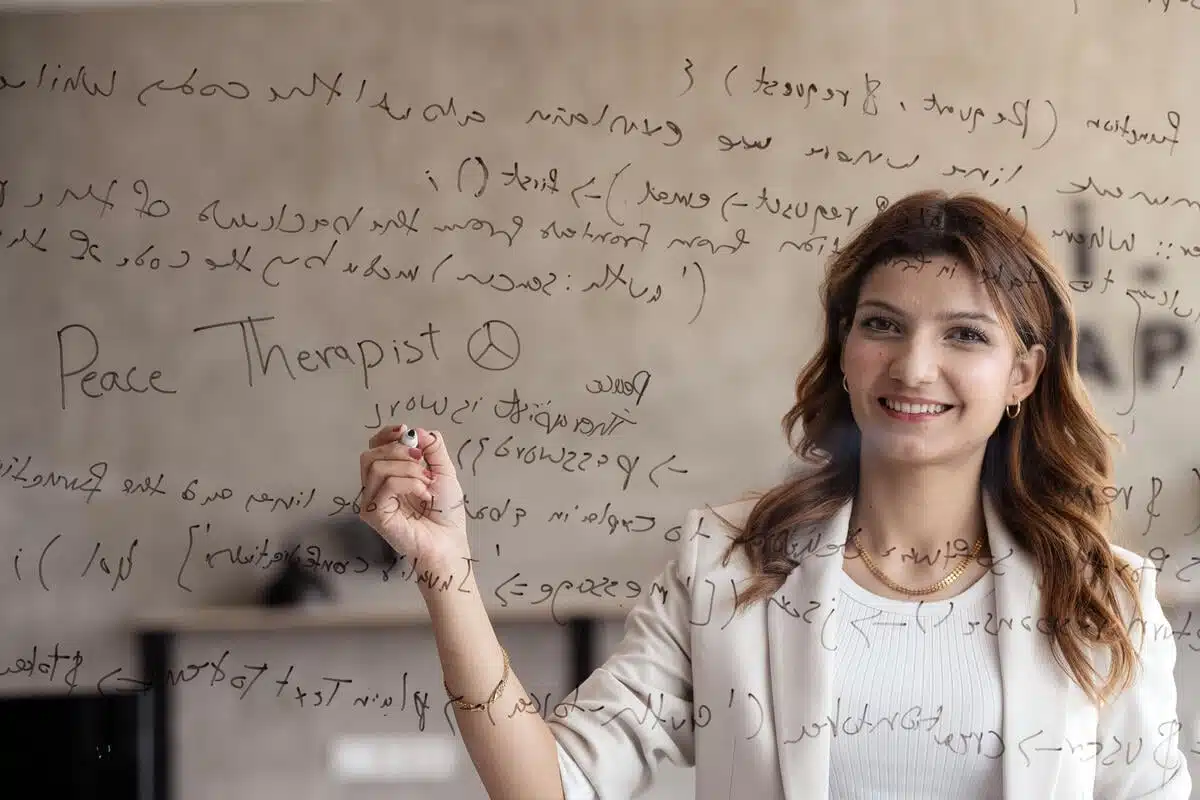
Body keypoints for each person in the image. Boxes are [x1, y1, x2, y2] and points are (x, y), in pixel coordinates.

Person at [356, 190, 1191, 799]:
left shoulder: (1104, 597)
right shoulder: (724, 566)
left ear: (1023, 374)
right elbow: (547, 788)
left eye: (964, 334)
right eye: (882, 324)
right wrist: (447, 570)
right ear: (845, 347)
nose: (913, 366)